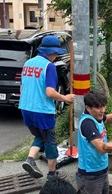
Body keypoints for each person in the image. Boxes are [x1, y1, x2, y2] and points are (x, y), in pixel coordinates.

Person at [19, 35, 75, 180]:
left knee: (40, 136)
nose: (56, 56)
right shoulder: (48, 67)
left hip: (25, 108)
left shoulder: (28, 63)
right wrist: (65, 98)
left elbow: (22, 88)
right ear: (52, 52)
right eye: (56, 53)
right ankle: (52, 174)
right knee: (50, 142)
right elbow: (50, 92)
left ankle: (30, 159)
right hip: (42, 110)